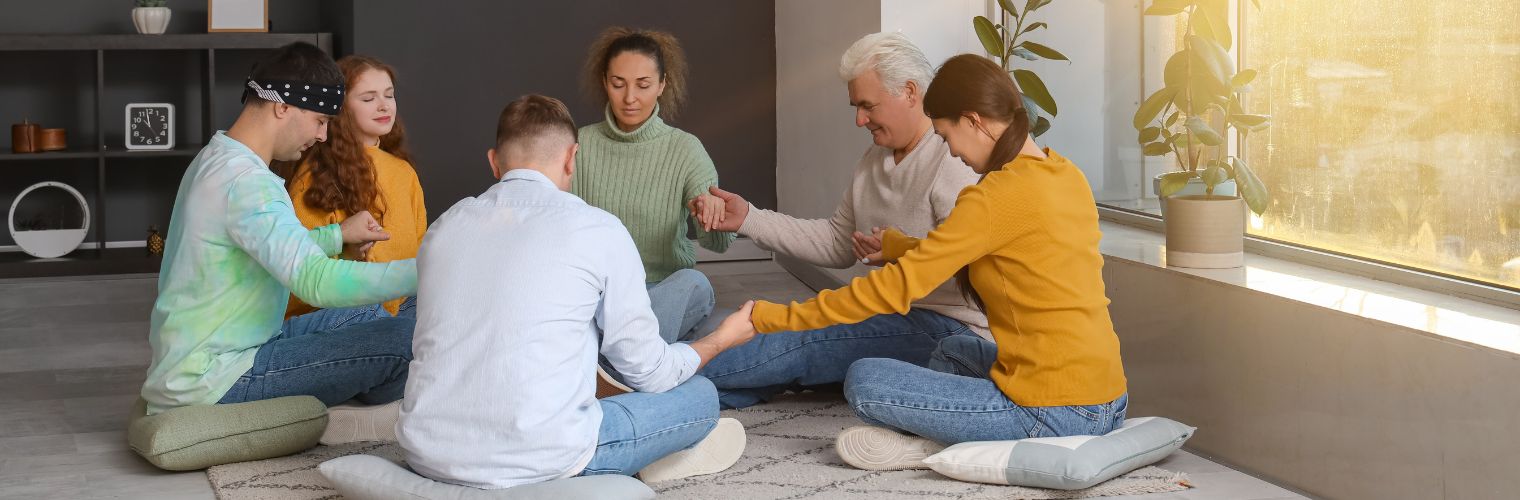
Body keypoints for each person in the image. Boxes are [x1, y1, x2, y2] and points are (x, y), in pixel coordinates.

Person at [744, 54, 1129, 471]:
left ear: (974, 121)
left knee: (866, 381)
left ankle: (953, 446)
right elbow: (1005, 256)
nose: (952, 152)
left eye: (946, 136)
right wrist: (897, 247)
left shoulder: (993, 197)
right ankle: (958, 437)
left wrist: (767, 318)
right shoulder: (1062, 171)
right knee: (952, 351)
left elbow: (892, 289)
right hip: (1107, 396)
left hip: (1051, 409)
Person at [397, 95, 756, 489]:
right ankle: (646, 457)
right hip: (545, 456)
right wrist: (721, 340)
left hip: (427, 452)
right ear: (572, 158)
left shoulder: (444, 228)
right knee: (699, 395)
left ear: (494, 162)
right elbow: (649, 373)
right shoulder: (598, 229)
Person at [689, 32, 986, 409]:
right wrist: (749, 217)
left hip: (950, 327)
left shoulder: (954, 159)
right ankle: (682, 394)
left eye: (867, 105)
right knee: (778, 358)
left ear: (910, 92)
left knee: (800, 338)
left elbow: (969, 266)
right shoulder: (873, 160)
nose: (860, 119)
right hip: (889, 313)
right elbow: (836, 241)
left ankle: (654, 374)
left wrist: (897, 253)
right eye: (856, 106)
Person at [141, 42, 418, 445]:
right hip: (219, 376)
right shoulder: (249, 183)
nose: (324, 135)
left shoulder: (218, 157)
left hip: (215, 351)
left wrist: (336, 235)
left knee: (365, 315)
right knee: (406, 338)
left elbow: (261, 244)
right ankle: (380, 414)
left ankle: (367, 394)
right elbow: (315, 282)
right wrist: (429, 269)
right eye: (321, 120)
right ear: (283, 107)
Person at [573, 27, 733, 347]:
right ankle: (631, 357)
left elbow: (719, 244)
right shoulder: (579, 144)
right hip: (593, 292)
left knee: (695, 285)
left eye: (643, 85)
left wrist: (710, 216)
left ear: (662, 85)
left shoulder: (685, 149)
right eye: (618, 84)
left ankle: (612, 357)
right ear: (605, 83)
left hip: (657, 291)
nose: (630, 98)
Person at [279, 55, 427, 328]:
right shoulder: (315, 175)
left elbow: (419, 256)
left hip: (398, 317)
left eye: (389, 95)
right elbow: (293, 278)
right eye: (368, 99)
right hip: (333, 321)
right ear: (341, 107)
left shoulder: (403, 173)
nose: (384, 106)